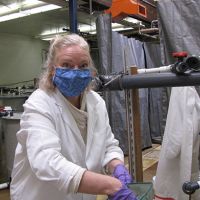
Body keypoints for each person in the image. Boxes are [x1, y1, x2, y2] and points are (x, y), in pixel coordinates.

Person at [10, 34, 137, 200]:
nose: (76, 72)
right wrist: (109, 186)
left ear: (91, 71)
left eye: (83, 65)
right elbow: (46, 162)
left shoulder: (96, 102)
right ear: (52, 69)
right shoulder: (39, 103)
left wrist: (116, 164)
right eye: (67, 65)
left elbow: (107, 145)